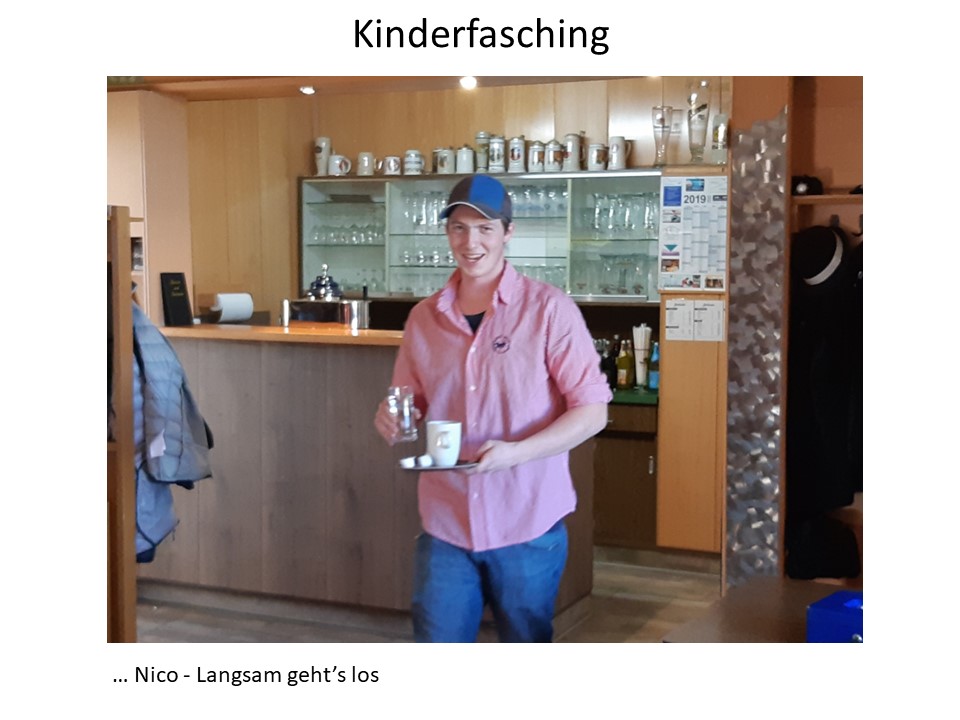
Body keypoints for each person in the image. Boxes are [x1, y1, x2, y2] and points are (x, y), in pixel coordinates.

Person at [374, 175, 612, 642]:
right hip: (446, 520)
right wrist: (392, 416)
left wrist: (516, 453)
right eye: (459, 228)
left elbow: (592, 411)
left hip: (527, 519)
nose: (471, 242)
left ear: (508, 232)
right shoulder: (423, 318)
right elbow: (410, 400)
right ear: (447, 234)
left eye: (484, 228)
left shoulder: (549, 309)